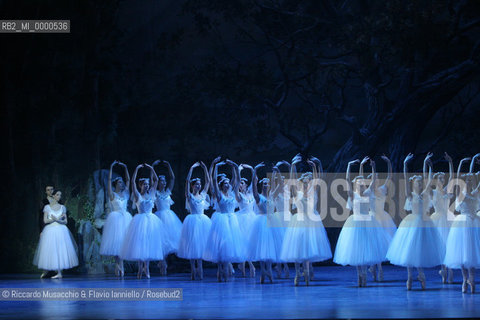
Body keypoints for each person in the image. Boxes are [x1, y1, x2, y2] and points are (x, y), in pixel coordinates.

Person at [386, 153, 445, 290]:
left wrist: (428, 165)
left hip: (424, 223)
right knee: (409, 250)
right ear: (414, 184)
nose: (420, 183)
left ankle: (420, 274)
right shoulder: (410, 195)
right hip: (412, 223)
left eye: (420, 182)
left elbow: (429, 180)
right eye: (417, 182)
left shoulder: (425, 193)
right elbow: (406, 179)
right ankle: (409, 276)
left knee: (419, 250)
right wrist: (405, 164)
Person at [334, 158, 390, 287]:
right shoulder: (352, 195)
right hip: (355, 223)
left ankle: (364, 273)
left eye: (362, 182)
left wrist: (373, 167)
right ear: (355, 185)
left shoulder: (368, 192)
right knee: (356, 249)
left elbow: (375, 180)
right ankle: (359, 273)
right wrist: (348, 165)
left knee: (366, 248)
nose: (360, 184)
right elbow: (347, 180)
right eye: (358, 182)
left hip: (368, 222)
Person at [120, 164, 165, 279]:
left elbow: (155, 181)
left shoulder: (151, 194)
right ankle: (140, 268)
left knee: (149, 244)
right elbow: (133, 182)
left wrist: (151, 168)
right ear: (141, 185)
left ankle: (147, 267)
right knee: (140, 244)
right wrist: (137, 168)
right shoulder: (137, 195)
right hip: (140, 221)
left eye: (147, 184)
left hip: (150, 221)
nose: (146, 186)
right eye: (144, 184)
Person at [203, 159, 245, 282]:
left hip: (232, 220)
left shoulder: (232, 194)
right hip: (222, 221)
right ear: (222, 185)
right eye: (225, 183)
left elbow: (237, 180)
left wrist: (235, 167)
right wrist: (215, 166)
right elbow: (214, 181)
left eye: (228, 183)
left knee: (229, 245)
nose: (227, 184)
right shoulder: (219, 194)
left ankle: (225, 269)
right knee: (221, 245)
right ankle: (221, 269)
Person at [444, 155, 480, 293]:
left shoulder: (476, 192)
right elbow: (457, 178)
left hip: (474, 223)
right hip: (462, 224)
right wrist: (460, 163)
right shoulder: (461, 192)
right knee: (462, 254)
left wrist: (474, 159)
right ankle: (465, 279)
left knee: (471, 253)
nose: (469, 181)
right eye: (467, 180)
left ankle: (472, 278)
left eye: (471, 179)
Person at [177, 161, 212, 280]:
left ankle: (200, 267)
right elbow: (186, 182)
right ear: (192, 186)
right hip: (192, 221)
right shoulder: (189, 195)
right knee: (192, 244)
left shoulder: (203, 195)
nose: (199, 186)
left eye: (199, 184)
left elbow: (208, 181)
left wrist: (205, 168)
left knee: (201, 244)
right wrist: (191, 168)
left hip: (202, 220)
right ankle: (193, 268)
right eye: (196, 184)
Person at [33, 190, 78, 279]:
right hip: (50, 230)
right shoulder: (47, 207)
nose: (59, 196)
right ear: (53, 196)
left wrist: (57, 220)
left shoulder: (62, 207)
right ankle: (46, 270)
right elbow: (45, 220)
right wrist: (54, 219)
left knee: (60, 250)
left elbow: (65, 221)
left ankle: (59, 272)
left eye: (60, 195)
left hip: (61, 230)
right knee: (49, 250)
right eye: (57, 195)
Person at [99, 160, 132, 277]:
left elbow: (128, 180)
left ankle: (120, 264)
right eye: (119, 182)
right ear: (116, 184)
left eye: (122, 182)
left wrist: (125, 167)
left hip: (126, 218)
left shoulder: (126, 194)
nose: (122, 184)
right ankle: (118, 263)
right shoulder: (112, 194)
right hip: (116, 219)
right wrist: (112, 167)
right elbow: (108, 181)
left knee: (124, 242)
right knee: (116, 242)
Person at [152, 160, 182, 275]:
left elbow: (173, 178)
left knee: (170, 240)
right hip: (159, 217)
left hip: (169, 217)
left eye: (164, 181)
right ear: (158, 183)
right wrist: (153, 167)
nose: (163, 183)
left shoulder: (168, 192)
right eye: (161, 182)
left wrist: (169, 165)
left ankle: (164, 262)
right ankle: (162, 262)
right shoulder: (156, 193)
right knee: (161, 241)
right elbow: (153, 179)